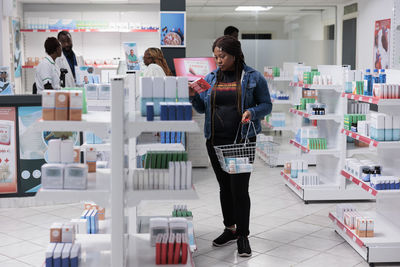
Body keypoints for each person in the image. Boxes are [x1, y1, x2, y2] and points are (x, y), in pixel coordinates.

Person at [189, 35, 272, 257]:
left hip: (240, 143)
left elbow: (266, 105)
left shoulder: (253, 77)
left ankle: (243, 236)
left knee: (239, 189)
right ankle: (230, 229)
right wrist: (192, 96)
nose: (218, 60)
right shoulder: (210, 77)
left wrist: (252, 112)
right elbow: (202, 108)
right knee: (224, 187)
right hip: (215, 141)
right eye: (216, 56)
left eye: (222, 56)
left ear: (235, 54)